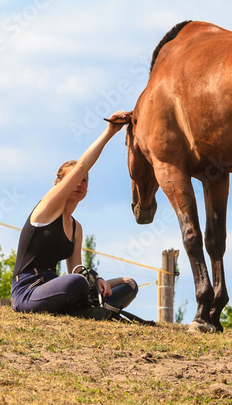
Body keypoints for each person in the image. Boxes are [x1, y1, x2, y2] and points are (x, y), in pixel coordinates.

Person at [11, 110, 138, 316]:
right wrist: (110, 131)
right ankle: (93, 311)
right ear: (59, 184)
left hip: (58, 286)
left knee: (128, 283)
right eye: (75, 179)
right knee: (77, 283)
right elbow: (81, 167)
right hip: (28, 291)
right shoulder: (47, 208)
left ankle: (92, 310)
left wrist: (97, 281)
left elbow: (76, 269)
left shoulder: (76, 228)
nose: (80, 183)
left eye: (85, 180)